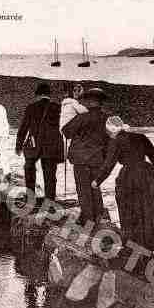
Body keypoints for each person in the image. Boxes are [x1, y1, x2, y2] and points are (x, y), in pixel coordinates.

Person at [91, 116, 154, 253]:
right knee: (147, 210)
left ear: (111, 130)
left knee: (130, 211)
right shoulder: (140, 137)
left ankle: (133, 246)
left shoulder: (116, 141)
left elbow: (109, 164)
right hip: (148, 175)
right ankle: (148, 246)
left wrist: (97, 181)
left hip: (129, 177)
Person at [62, 88, 111, 224]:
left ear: (89, 102)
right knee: (95, 188)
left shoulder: (82, 117)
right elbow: (112, 140)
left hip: (80, 160)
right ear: (101, 103)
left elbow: (66, 132)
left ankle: (87, 220)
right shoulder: (107, 119)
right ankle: (99, 217)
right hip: (98, 160)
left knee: (84, 190)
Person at [16, 83, 64, 201]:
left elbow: (24, 127)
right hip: (51, 146)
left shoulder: (31, 107)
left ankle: (30, 197)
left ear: (37, 95)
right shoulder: (58, 107)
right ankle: (50, 200)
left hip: (34, 144)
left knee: (29, 170)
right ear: (49, 95)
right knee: (50, 175)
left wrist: (19, 145)